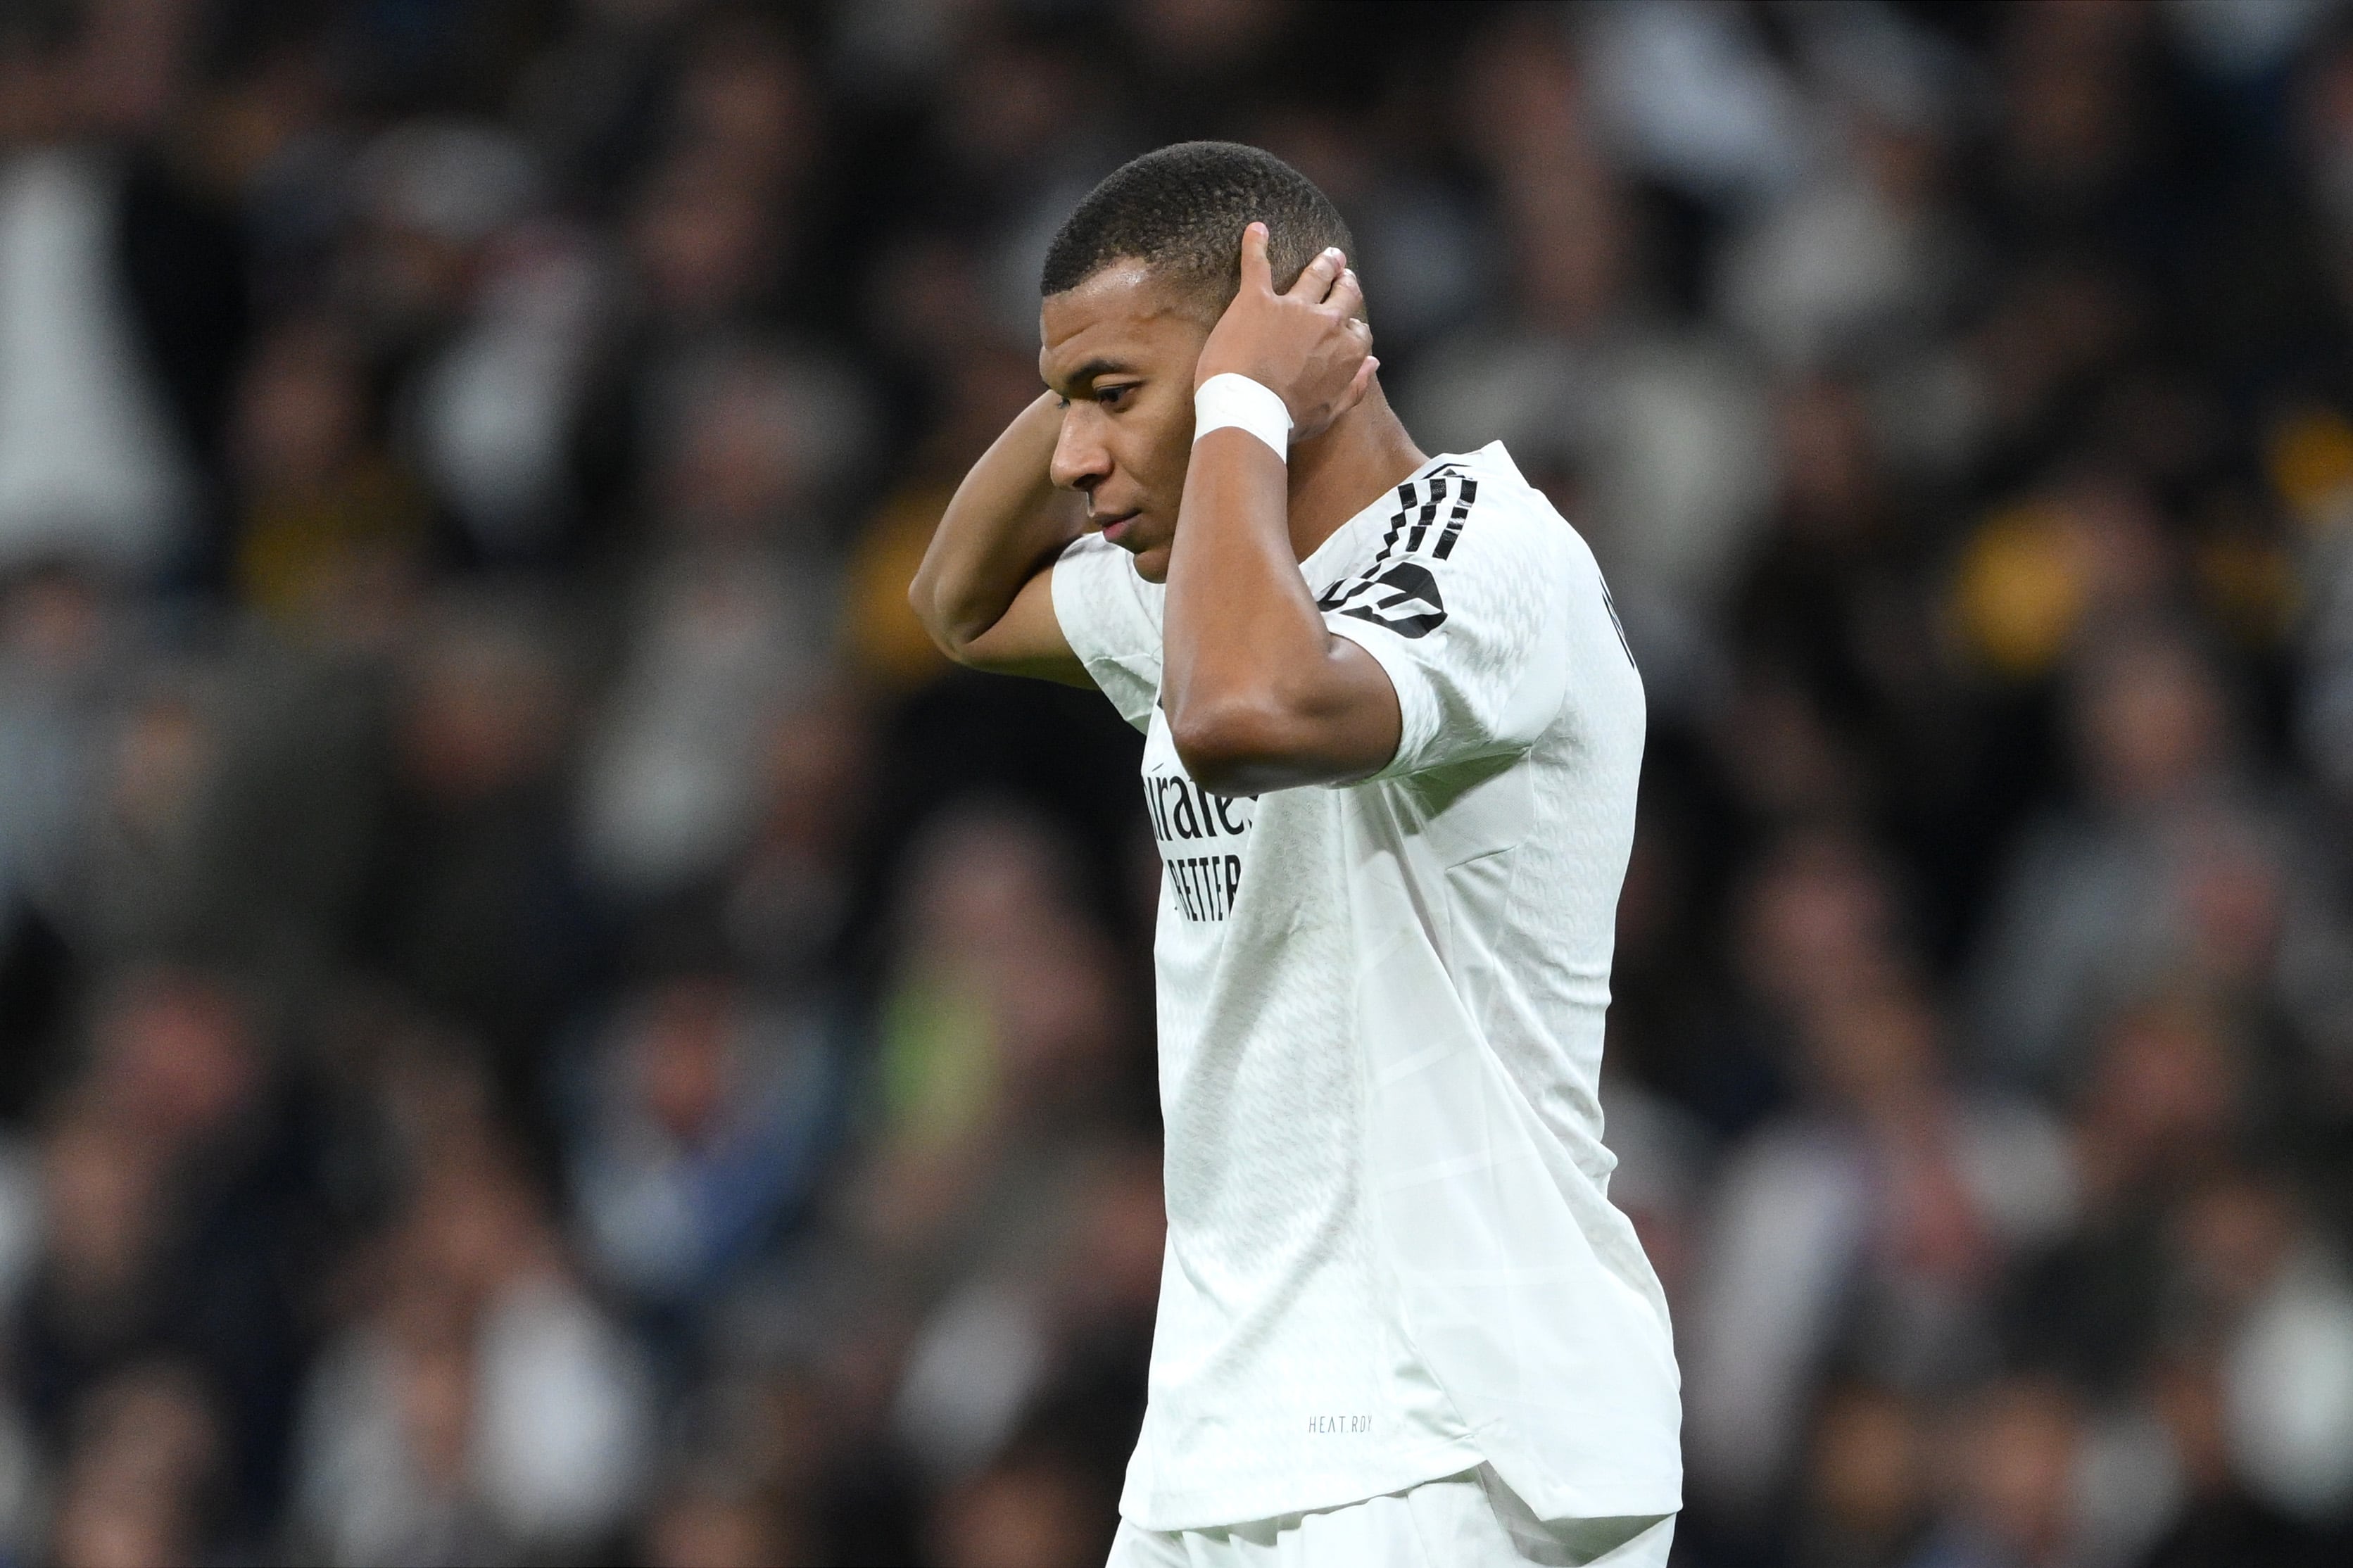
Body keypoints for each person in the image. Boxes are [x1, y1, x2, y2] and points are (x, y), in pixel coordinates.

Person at [910, 141, 1679, 1567]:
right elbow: (956, 602)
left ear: (1275, 353)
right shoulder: (1199, 588)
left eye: (1111, 399)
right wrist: (1134, 376)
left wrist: (1243, 399)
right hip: (1224, 1438)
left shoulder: (1485, 554)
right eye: (1063, 401)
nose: (1074, 459)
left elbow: (1241, 713)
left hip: (1454, 1440)